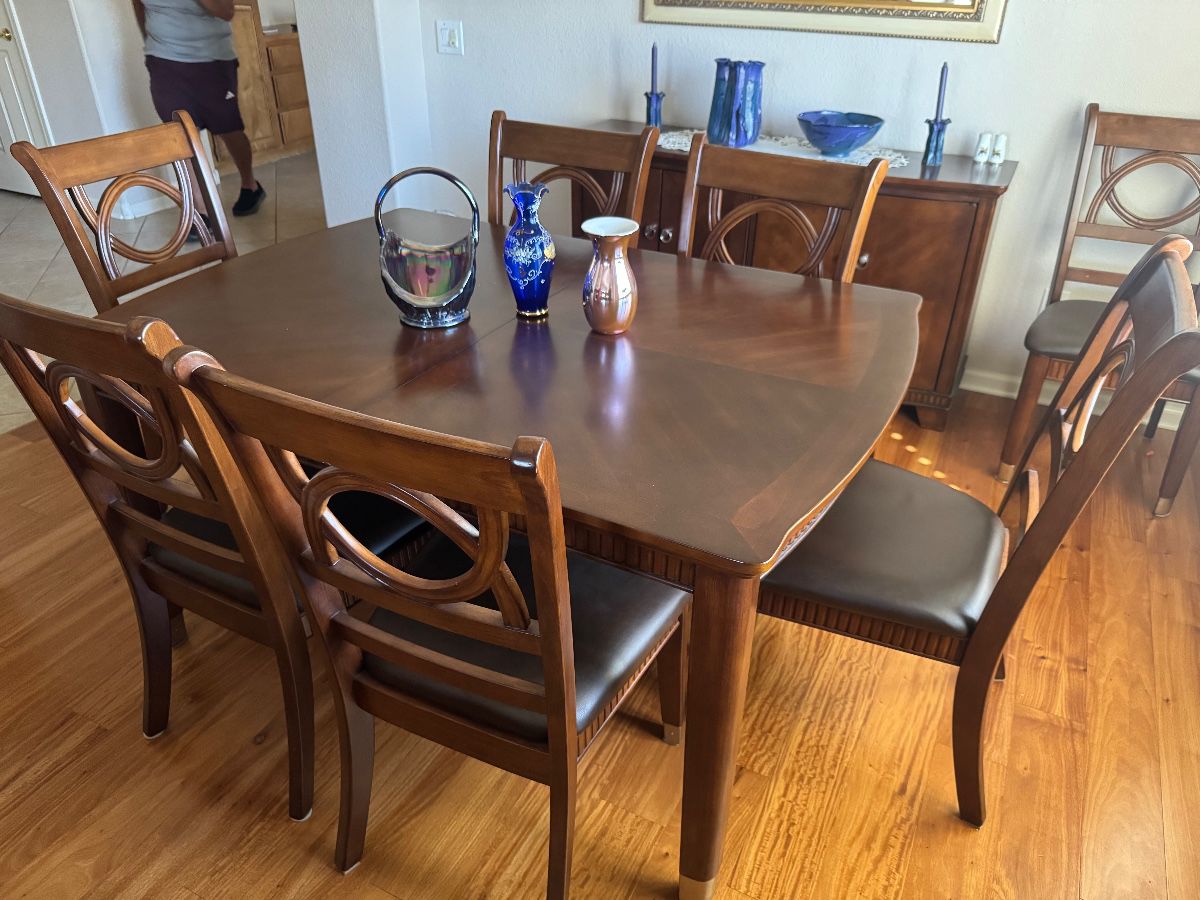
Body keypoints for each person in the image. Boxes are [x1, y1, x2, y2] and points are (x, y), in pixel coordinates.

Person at [132, 0, 266, 217]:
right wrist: (149, 42)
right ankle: (200, 210)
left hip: (212, 59)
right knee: (178, 134)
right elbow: (138, 4)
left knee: (228, 127)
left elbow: (226, 11)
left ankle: (250, 184)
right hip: (163, 60)